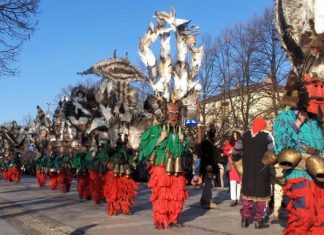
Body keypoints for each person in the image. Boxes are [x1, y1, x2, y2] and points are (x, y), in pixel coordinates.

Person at [233, 117, 274, 229]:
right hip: (262, 169)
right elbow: (271, 153)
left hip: (248, 169)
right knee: (261, 195)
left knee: (247, 194)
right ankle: (258, 221)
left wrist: (236, 158)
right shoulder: (267, 136)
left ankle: (245, 219)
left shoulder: (244, 135)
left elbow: (236, 150)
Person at [199, 125, 219, 209]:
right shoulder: (207, 143)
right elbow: (207, 156)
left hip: (208, 165)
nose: (214, 134)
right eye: (213, 132)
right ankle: (207, 201)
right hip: (208, 166)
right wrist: (209, 166)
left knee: (207, 183)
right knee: (209, 184)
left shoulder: (207, 142)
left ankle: (204, 199)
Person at [223, 131, 242, 206]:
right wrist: (229, 152)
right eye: (234, 134)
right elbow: (225, 151)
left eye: (236, 134)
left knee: (239, 182)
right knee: (233, 181)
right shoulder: (230, 143)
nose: (235, 136)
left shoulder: (241, 143)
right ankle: (233, 198)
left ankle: (238, 198)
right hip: (232, 164)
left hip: (240, 164)